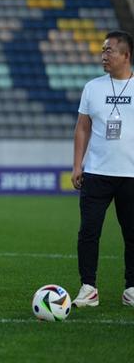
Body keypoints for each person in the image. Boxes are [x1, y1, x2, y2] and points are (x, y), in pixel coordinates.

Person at [71, 30, 134, 308]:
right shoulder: (92, 87)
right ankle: (88, 287)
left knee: (132, 235)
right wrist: (77, 165)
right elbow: (83, 127)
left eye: (109, 50)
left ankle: (131, 288)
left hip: (131, 175)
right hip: (96, 173)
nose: (103, 56)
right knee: (88, 232)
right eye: (102, 51)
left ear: (126, 55)